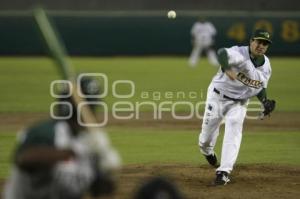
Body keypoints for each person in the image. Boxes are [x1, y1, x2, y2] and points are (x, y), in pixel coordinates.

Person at [3, 76, 121, 199]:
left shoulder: (90, 143)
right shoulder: (46, 132)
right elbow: (24, 159)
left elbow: (98, 190)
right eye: (92, 107)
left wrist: (107, 172)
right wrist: (73, 152)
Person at [198, 29, 276, 185]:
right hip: (218, 96)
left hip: (240, 102)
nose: (261, 46)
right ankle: (207, 150)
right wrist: (227, 68)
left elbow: (259, 86)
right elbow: (221, 53)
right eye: (259, 42)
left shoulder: (266, 66)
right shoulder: (238, 53)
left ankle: (223, 172)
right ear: (251, 41)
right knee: (206, 138)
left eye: (265, 44)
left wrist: (265, 101)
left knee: (234, 128)